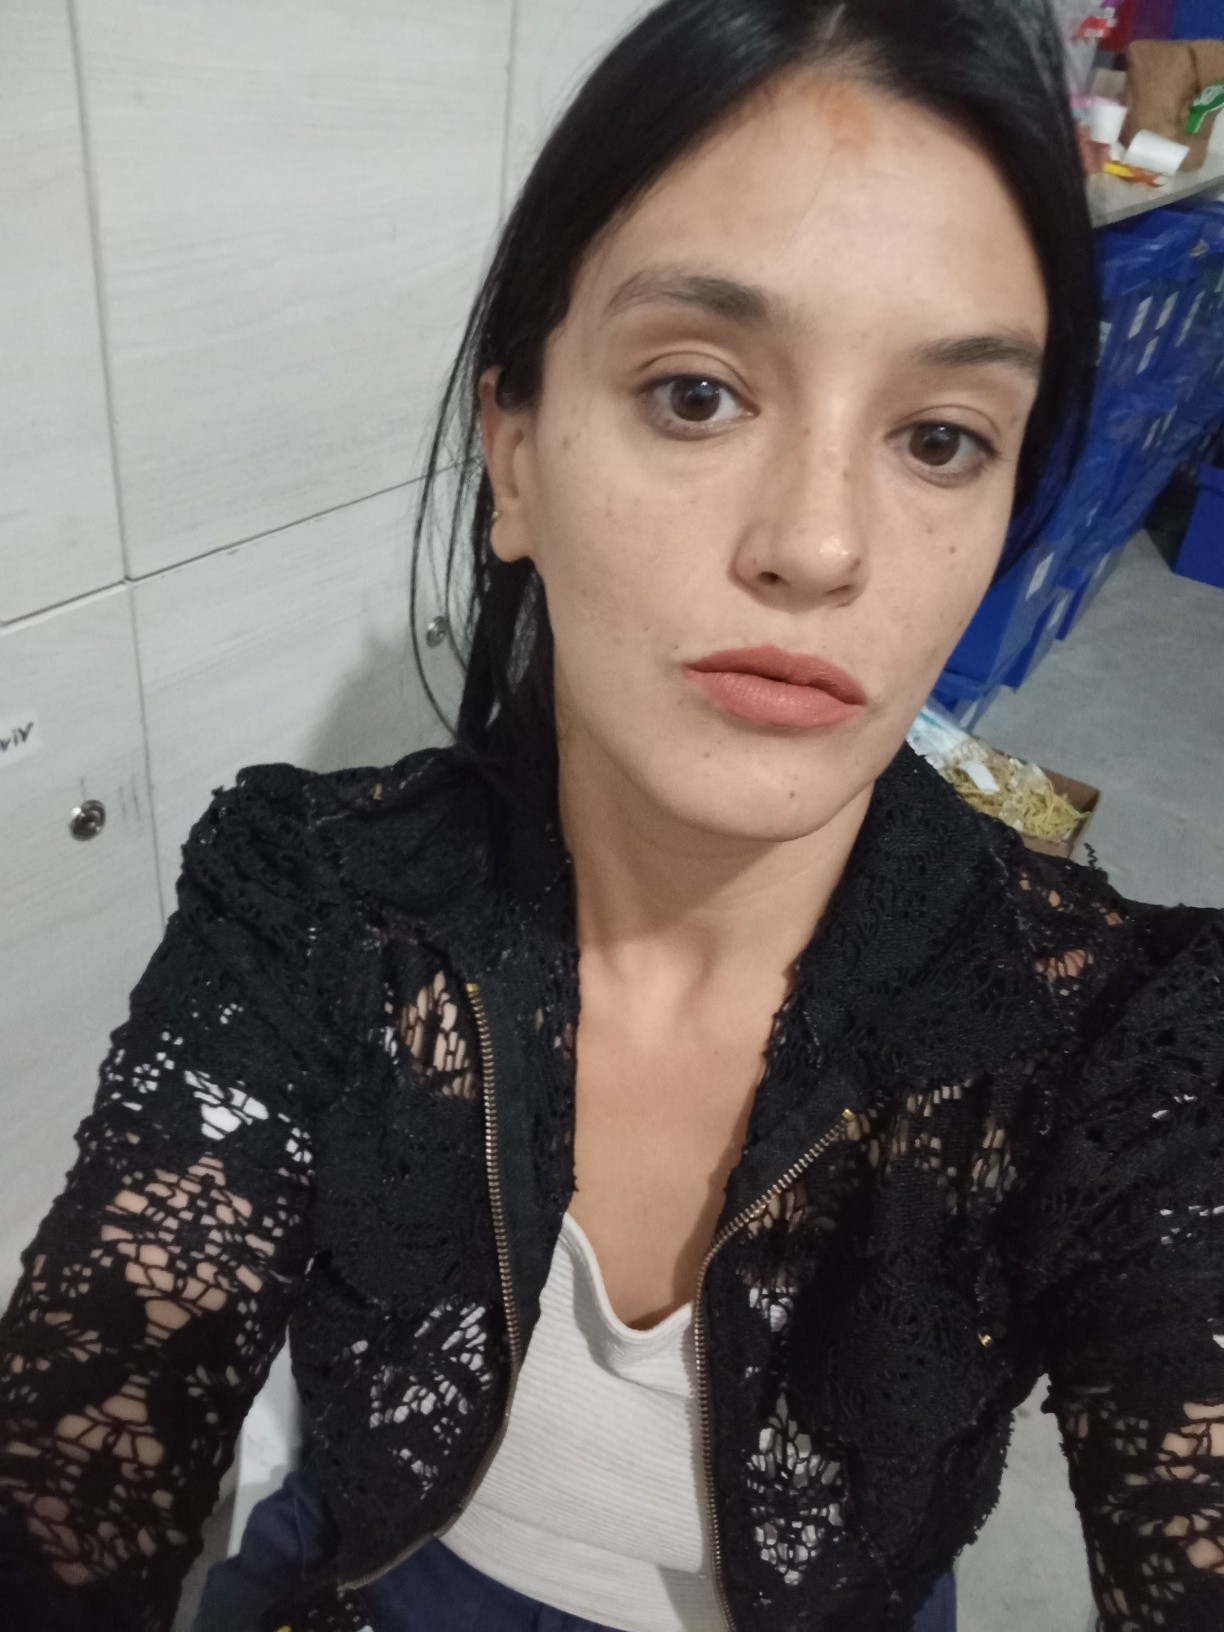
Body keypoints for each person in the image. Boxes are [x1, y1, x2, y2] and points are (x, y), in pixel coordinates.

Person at [2, 0, 1223, 1629]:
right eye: (698, 393)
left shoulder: (1119, 1043)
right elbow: (95, 1411)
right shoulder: (313, 904)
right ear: (513, 454)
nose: (818, 545)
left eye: (941, 438)